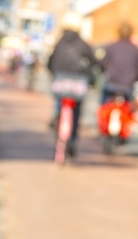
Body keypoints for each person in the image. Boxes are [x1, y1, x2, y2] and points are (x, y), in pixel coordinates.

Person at [47, 12, 98, 156]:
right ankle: (73, 138)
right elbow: (93, 62)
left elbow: (50, 62)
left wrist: (53, 72)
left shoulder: (60, 42)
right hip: (78, 83)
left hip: (61, 80)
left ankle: (56, 117)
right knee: (76, 110)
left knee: (59, 101)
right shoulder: (83, 44)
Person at [100, 20, 138, 105]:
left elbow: (103, 63)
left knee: (104, 105)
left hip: (112, 83)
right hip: (127, 85)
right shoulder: (135, 50)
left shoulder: (112, 47)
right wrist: (136, 78)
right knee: (129, 107)